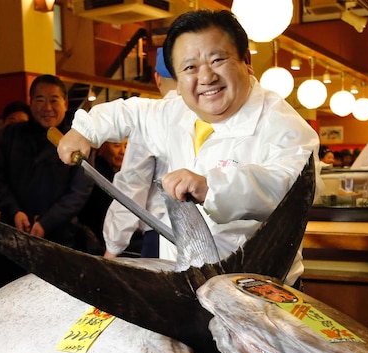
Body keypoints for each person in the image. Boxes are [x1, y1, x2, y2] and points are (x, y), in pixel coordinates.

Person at [57, 10, 321, 287]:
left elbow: (293, 189)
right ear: (177, 78)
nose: (206, 77)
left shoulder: (284, 124)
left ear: (246, 61)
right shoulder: (176, 111)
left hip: (258, 289)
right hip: (183, 281)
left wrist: (211, 187)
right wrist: (85, 130)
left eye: (217, 60)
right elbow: (131, 112)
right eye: (190, 68)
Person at [0, 74, 93, 288]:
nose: (47, 107)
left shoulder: (76, 139)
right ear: (30, 102)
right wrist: (15, 211)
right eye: (40, 100)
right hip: (14, 235)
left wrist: (46, 222)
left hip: (60, 238)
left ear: (65, 102)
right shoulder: (10, 135)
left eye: (54, 100)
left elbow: (80, 190)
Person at [102, 46, 175, 259]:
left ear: (157, 79)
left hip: (162, 235)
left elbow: (133, 186)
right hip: (215, 239)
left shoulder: (152, 118)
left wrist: (112, 247)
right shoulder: (213, 113)